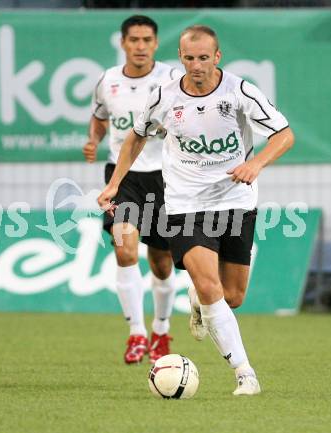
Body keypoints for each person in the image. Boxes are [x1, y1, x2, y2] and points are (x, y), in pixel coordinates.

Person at [98, 25, 294, 395]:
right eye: (189, 58)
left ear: (217, 57)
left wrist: (256, 164)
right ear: (181, 57)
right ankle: (244, 373)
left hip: (236, 200)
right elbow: (137, 135)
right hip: (185, 205)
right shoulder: (165, 96)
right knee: (207, 284)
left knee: (231, 296)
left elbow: (284, 134)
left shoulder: (239, 92)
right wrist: (114, 183)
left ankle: (197, 303)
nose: (196, 65)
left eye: (204, 58)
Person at [83, 15, 182, 364]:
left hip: (166, 177)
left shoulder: (171, 78)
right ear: (123, 43)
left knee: (161, 263)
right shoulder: (107, 81)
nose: (140, 46)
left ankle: (161, 328)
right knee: (124, 249)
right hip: (123, 176)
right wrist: (93, 139)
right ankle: (136, 334)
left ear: (156, 44)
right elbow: (99, 117)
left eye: (147, 40)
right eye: (134, 40)